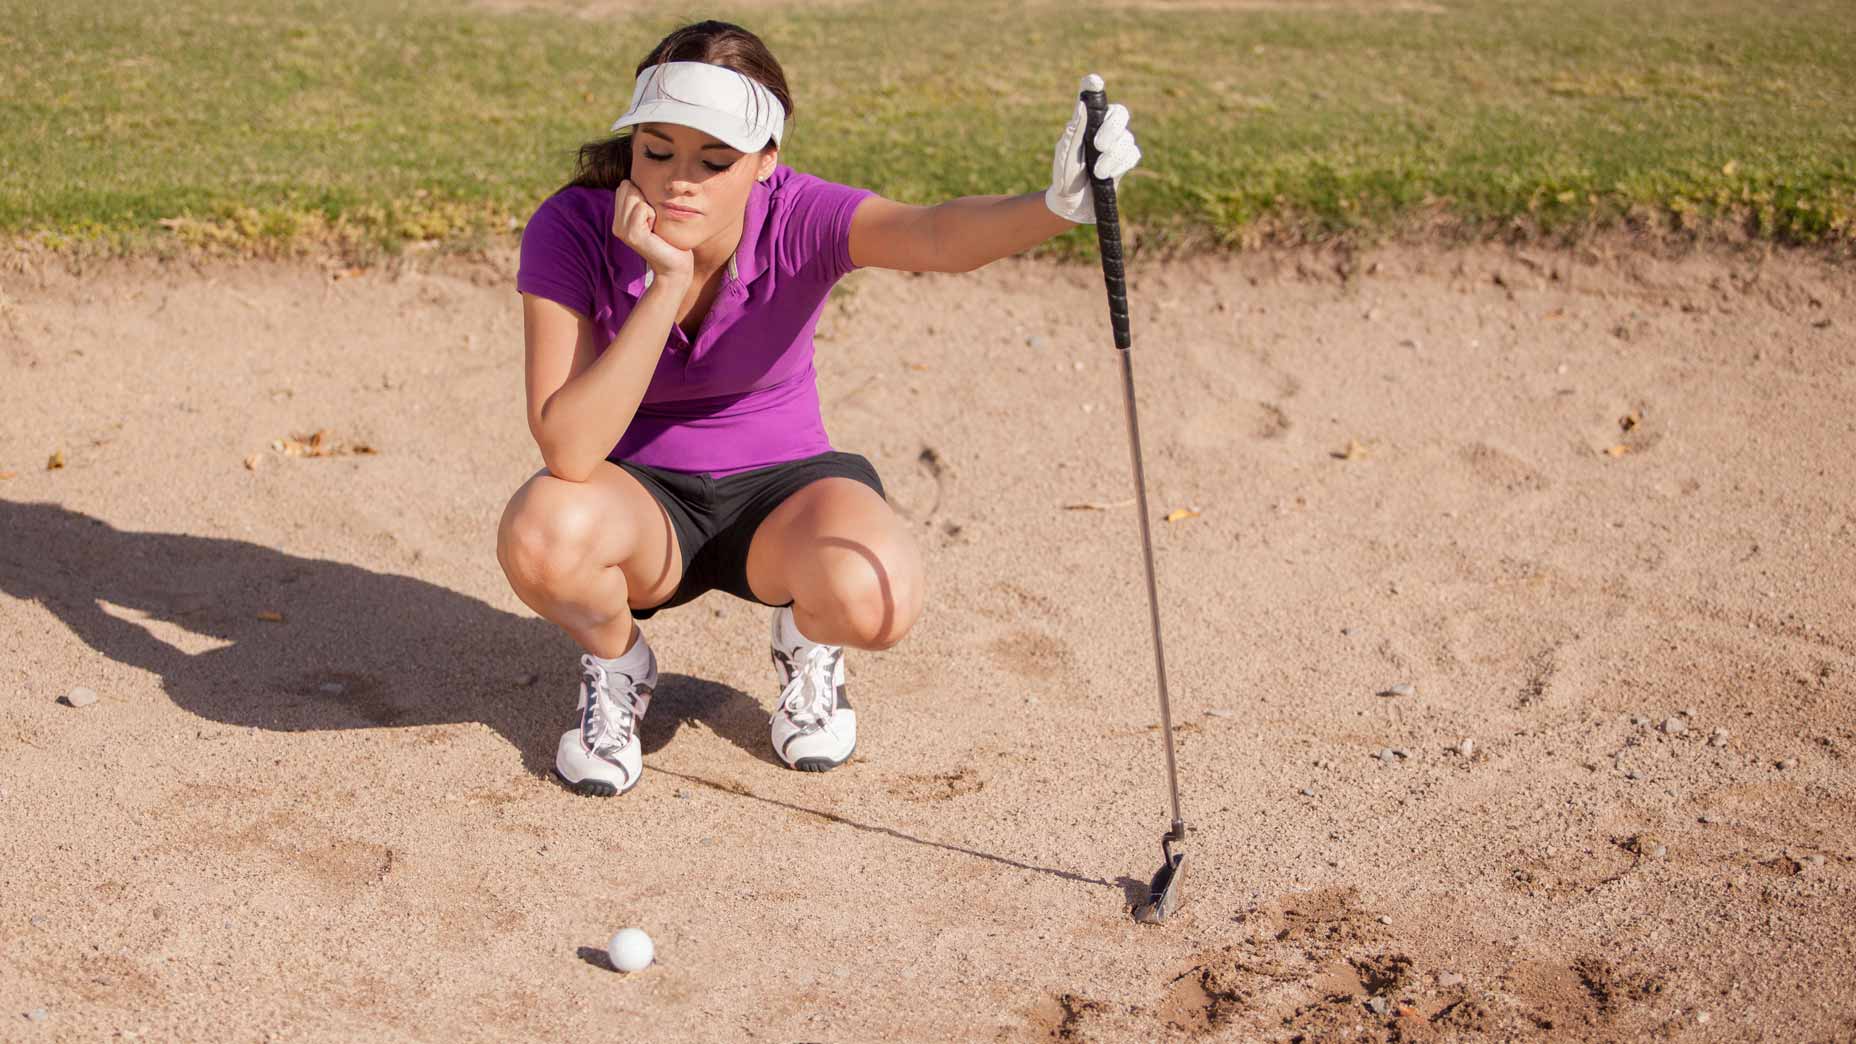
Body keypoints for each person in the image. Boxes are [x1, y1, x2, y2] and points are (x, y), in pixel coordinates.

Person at [498, 20, 1141, 796]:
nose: (679, 182)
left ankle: (806, 643)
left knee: (879, 599)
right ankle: (616, 663)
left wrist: (1056, 205)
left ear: (767, 162)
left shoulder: (801, 213)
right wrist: (664, 282)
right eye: (657, 150)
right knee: (542, 533)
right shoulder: (571, 227)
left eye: (715, 159)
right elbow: (568, 449)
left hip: (784, 496)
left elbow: (932, 234)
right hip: (640, 507)